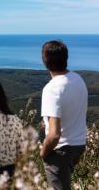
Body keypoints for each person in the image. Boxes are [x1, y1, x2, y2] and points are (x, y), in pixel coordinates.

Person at [40, 40, 87, 190]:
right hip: (79, 144)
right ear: (66, 58)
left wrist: (43, 152)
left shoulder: (51, 89)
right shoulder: (78, 79)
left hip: (60, 150)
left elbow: (54, 134)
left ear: (45, 61)